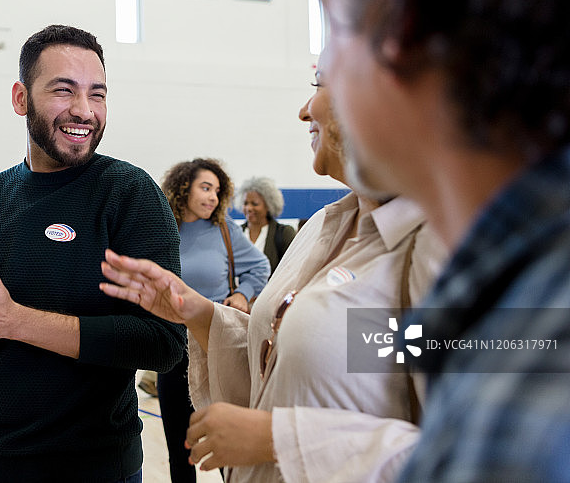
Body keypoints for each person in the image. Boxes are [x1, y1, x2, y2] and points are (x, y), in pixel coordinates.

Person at [99, 73, 446, 482]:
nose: (304, 110)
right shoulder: (323, 226)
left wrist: (280, 438)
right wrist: (200, 314)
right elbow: (296, 363)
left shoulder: (441, 245)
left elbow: (484, 452)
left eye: (321, 83)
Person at [318, 0, 570, 481]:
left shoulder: (517, 412)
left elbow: (405, 353)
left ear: (398, 24)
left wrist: (278, 431)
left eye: (333, 34)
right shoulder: (333, 222)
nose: (313, 102)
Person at [0, 24, 185, 483]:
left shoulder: (129, 193)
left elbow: (164, 343)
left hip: (96, 467)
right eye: (64, 91)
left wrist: (13, 320)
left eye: (97, 95)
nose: (84, 111)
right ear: (21, 99)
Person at [158, 158, 270, 483]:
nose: (213, 198)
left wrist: (243, 294)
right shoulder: (165, 228)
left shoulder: (224, 230)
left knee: (225, 451)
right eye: (205, 188)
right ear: (183, 189)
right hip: (175, 349)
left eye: (217, 191)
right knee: (180, 453)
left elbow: (260, 267)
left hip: (215, 348)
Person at [236, 177, 297, 274]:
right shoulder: (236, 233)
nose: (249, 208)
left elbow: (291, 269)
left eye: (254, 204)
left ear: (269, 205)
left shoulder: (284, 233)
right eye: (245, 203)